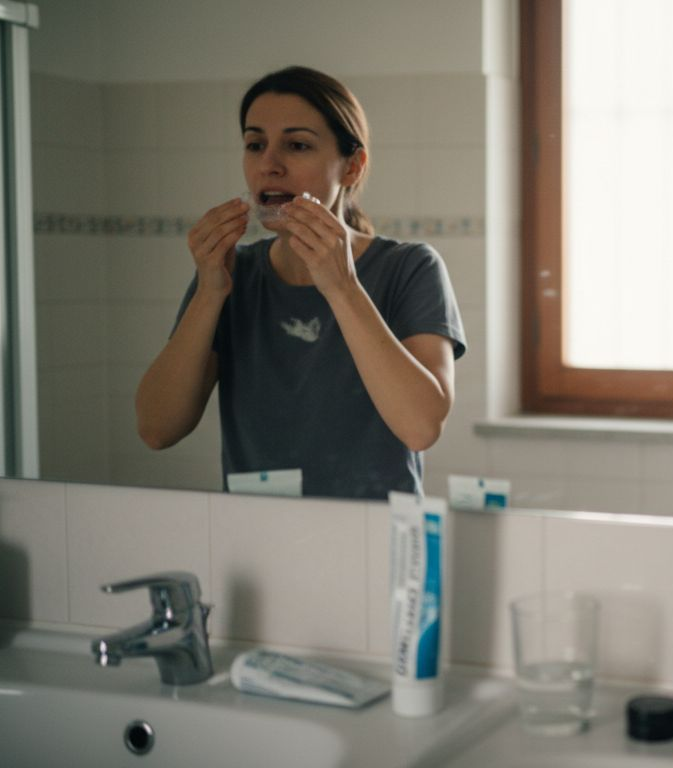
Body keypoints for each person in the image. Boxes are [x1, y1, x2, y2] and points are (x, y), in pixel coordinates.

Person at [135, 66, 466, 500]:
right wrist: (210, 292)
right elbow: (156, 429)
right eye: (255, 145)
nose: (269, 165)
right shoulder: (231, 275)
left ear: (352, 166)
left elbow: (421, 428)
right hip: (258, 531)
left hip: (375, 532)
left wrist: (342, 287)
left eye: (297, 145)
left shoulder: (409, 268)